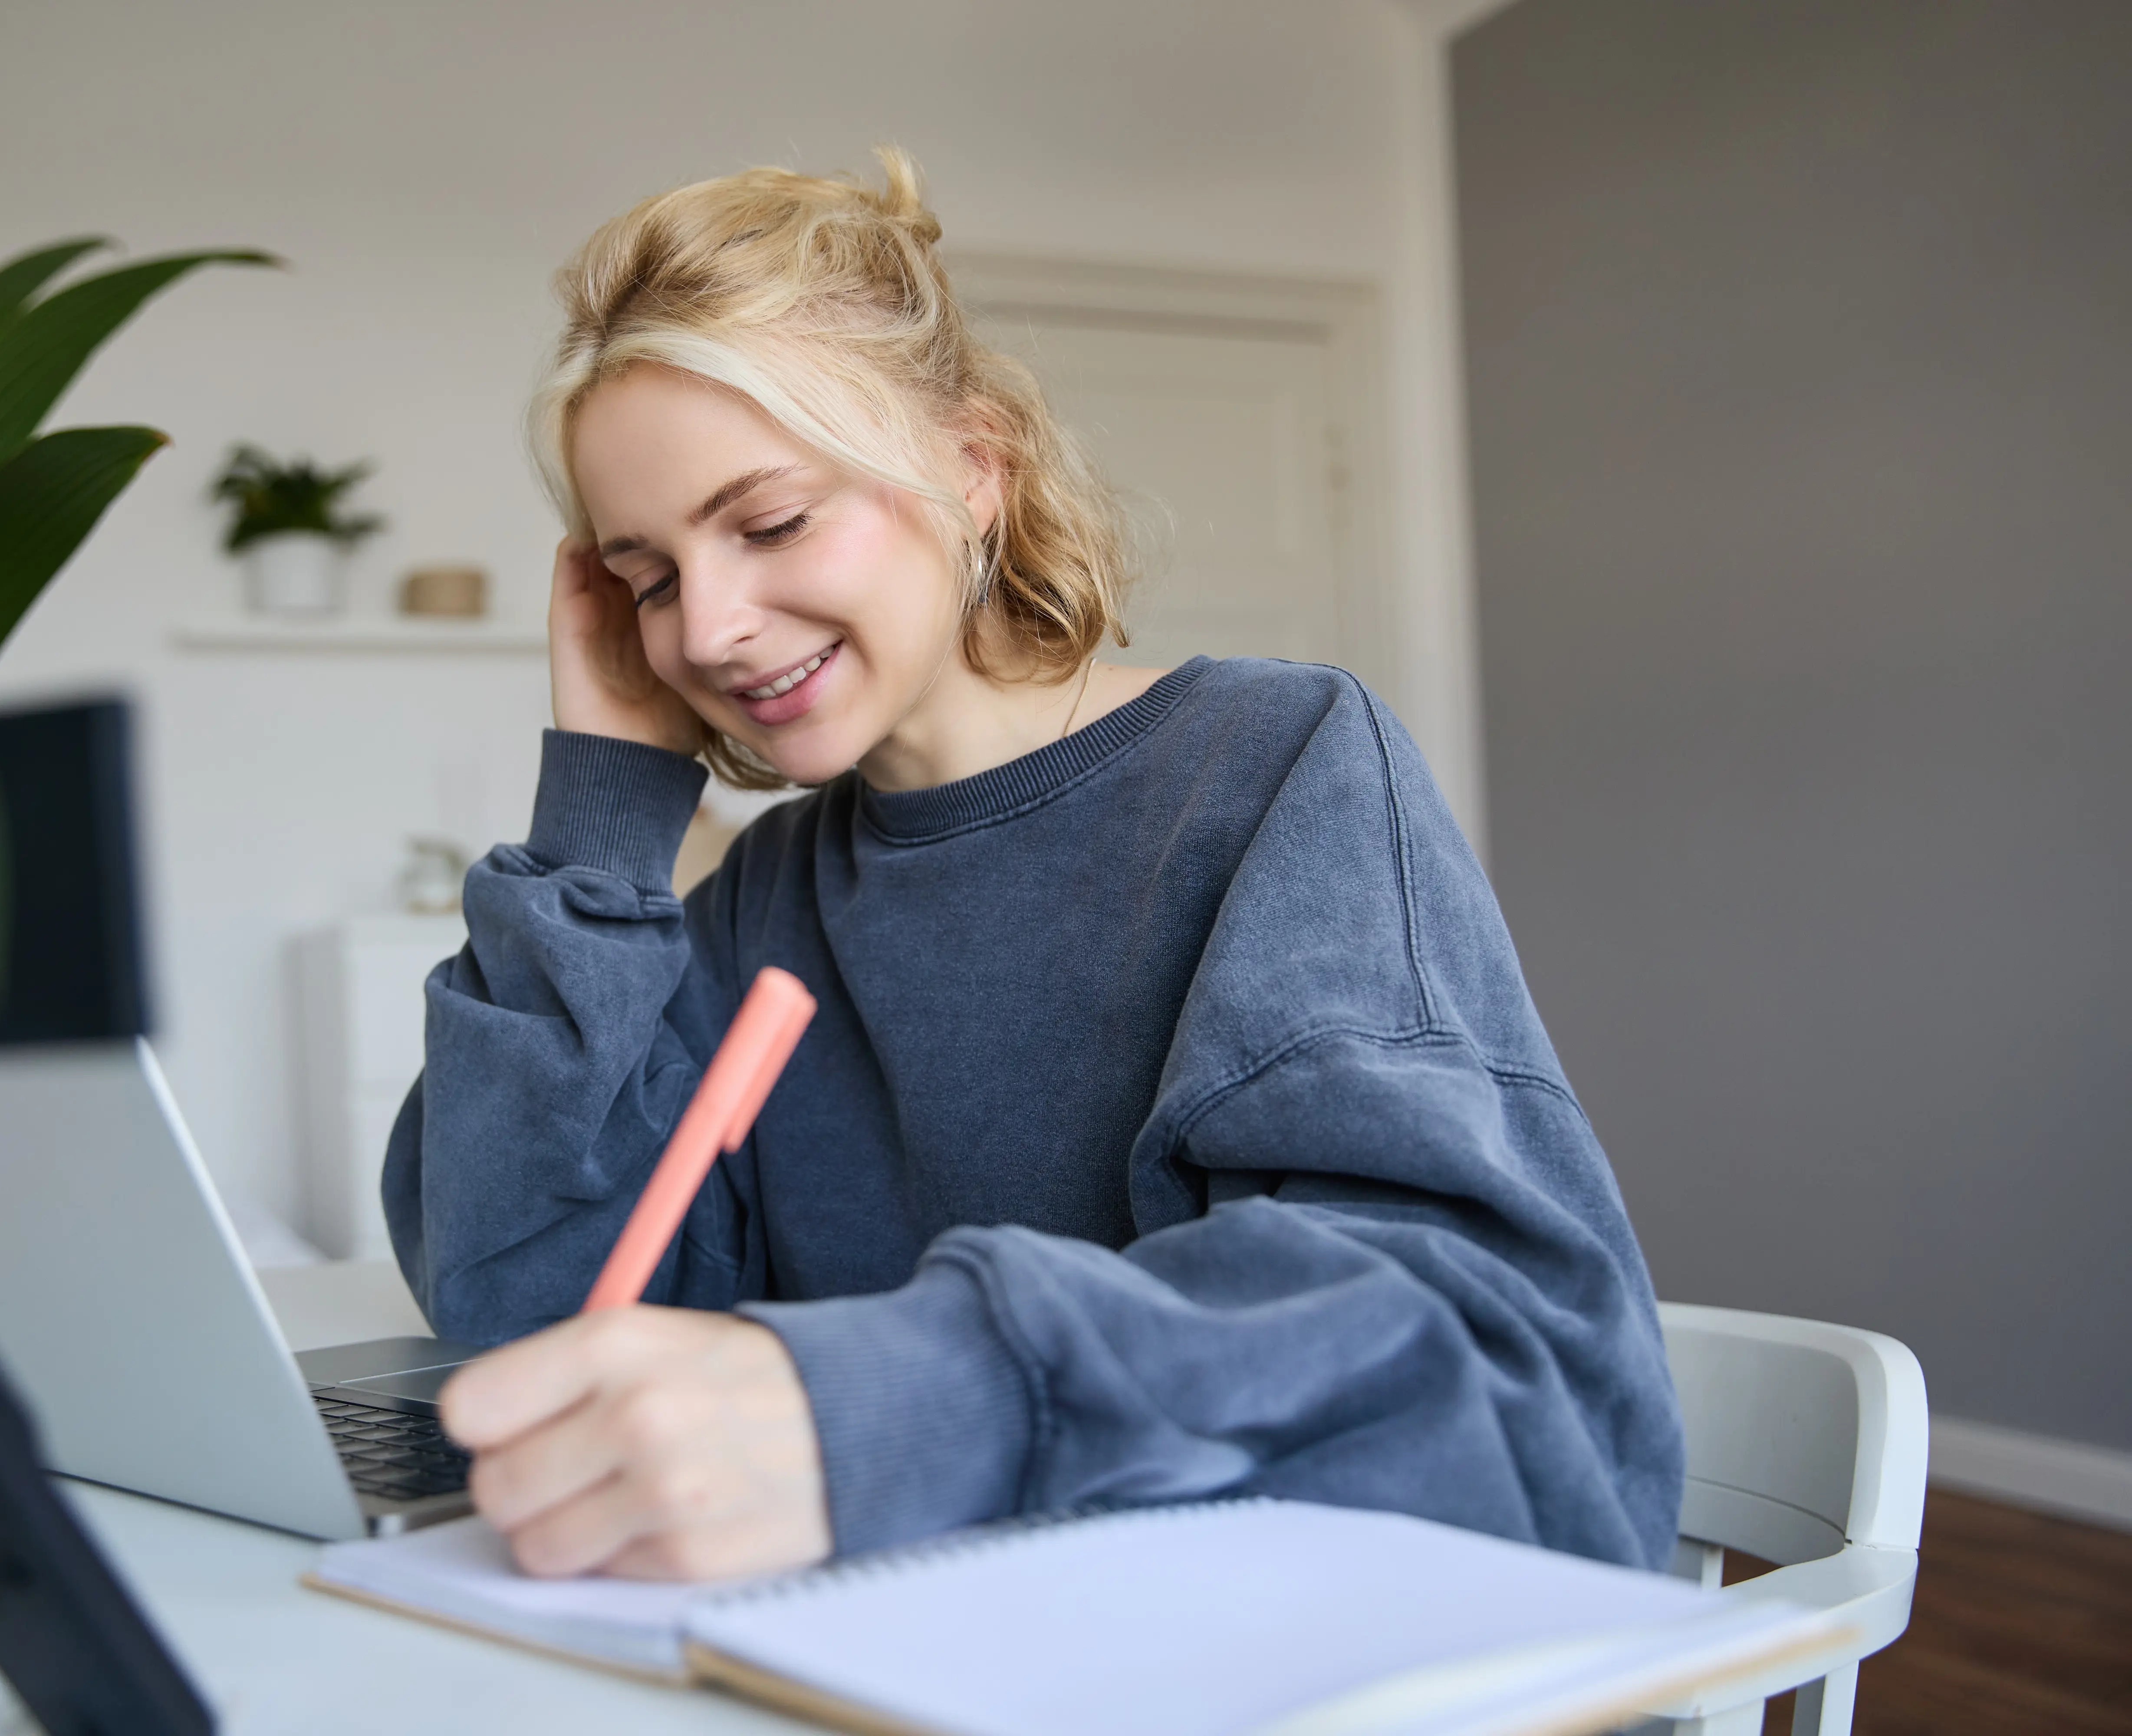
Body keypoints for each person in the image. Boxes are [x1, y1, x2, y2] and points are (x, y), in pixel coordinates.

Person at [385, 151, 1684, 1585]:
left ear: (971, 469)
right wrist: (599, 812)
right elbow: (522, 1310)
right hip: (911, 1636)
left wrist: (897, 1403)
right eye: (648, 579)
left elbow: (1456, 1331)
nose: (706, 631)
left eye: (771, 524)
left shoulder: (1273, 767)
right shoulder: (763, 901)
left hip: (1252, 1632)